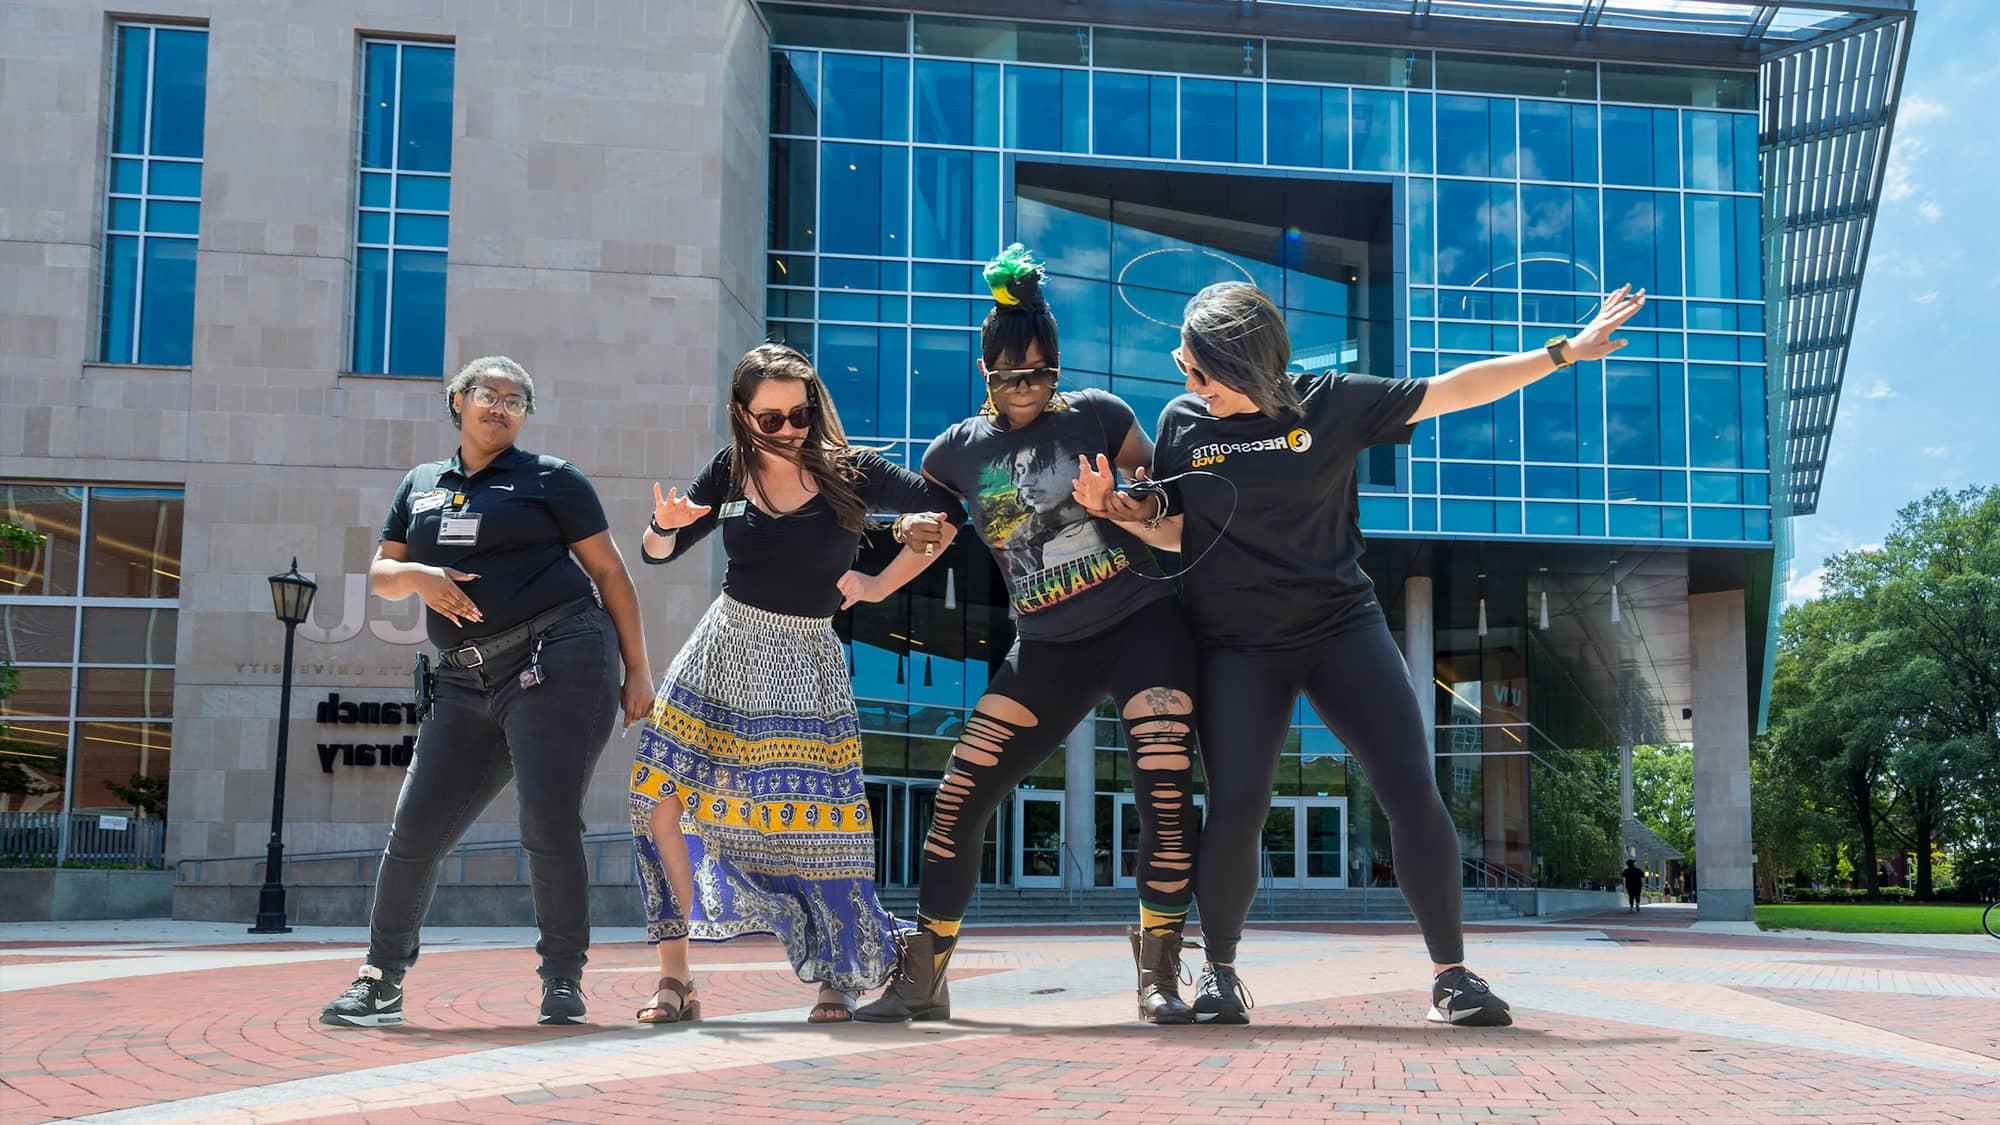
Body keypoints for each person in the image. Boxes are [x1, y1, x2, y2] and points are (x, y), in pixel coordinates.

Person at [1076, 281, 1646, 1027]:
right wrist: (1122, 512)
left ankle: (1452, 974)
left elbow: (1450, 389)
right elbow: (1182, 528)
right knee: (1239, 802)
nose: (1190, 385)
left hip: (1341, 626)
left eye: (1201, 371)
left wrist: (1562, 351)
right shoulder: (1183, 422)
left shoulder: (1332, 403)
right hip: (1238, 645)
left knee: (1410, 785)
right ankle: (1219, 971)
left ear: (1246, 364)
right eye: (1188, 368)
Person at [855, 245, 1203, 1026]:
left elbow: (1166, 505)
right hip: (1047, 646)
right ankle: (926, 970)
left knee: (1164, 784)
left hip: (1143, 622)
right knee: (960, 791)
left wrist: (1124, 498)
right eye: (1012, 376)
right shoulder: (954, 452)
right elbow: (934, 535)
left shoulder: (1102, 416)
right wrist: (876, 582)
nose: (1028, 388)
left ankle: (1159, 970)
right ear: (985, 374)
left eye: (1042, 372)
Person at [629, 343, 959, 1024]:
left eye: (800, 414)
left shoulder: (853, 472)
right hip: (722, 648)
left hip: (806, 660)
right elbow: (655, 552)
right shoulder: (730, 469)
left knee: (817, 829)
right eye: (770, 418)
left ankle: (837, 973)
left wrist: (877, 580)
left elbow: (943, 519)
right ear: (743, 415)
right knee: (655, 795)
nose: (788, 429)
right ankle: (675, 975)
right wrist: (665, 526)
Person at [320, 356, 653, 1028]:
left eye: (515, 399)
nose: (500, 406)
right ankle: (380, 978)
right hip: (462, 679)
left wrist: (638, 669)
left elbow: (611, 574)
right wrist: (417, 574)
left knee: (547, 819)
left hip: (557, 657)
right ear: (457, 401)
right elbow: (383, 573)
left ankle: (562, 978)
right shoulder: (419, 485)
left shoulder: (550, 480)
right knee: (414, 828)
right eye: (487, 394)